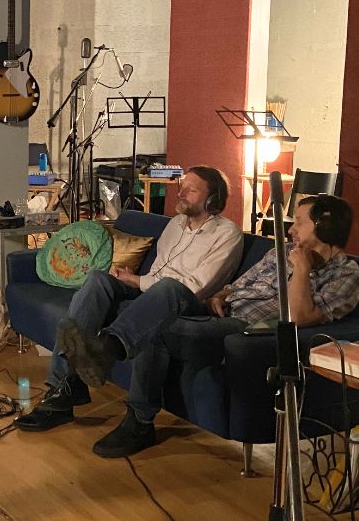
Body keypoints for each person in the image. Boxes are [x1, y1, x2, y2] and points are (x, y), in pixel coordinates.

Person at [88, 194, 359, 459]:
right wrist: (219, 295)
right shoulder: (280, 252)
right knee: (169, 287)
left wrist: (302, 268)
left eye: (299, 222)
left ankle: (138, 421)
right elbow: (237, 285)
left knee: (157, 329)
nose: (291, 230)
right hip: (216, 310)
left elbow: (298, 317)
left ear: (324, 226)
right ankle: (111, 344)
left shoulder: (346, 274)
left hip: (243, 327)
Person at [15, 166, 244, 443]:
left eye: (191, 190)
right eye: (182, 186)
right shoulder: (175, 224)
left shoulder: (227, 234)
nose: (181, 193)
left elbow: (197, 286)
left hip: (184, 303)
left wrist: (138, 281)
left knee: (168, 287)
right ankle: (62, 391)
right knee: (98, 280)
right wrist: (132, 281)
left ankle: (106, 349)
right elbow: (156, 271)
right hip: (149, 291)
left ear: (212, 199)